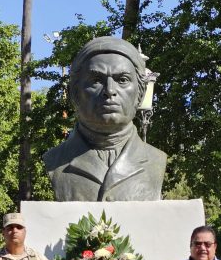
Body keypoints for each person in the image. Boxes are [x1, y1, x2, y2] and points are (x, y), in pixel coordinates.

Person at [42, 36, 167, 201]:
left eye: (122, 80)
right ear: (74, 93)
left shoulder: (156, 160)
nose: (110, 90)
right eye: (96, 81)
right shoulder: (55, 160)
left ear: (140, 93)